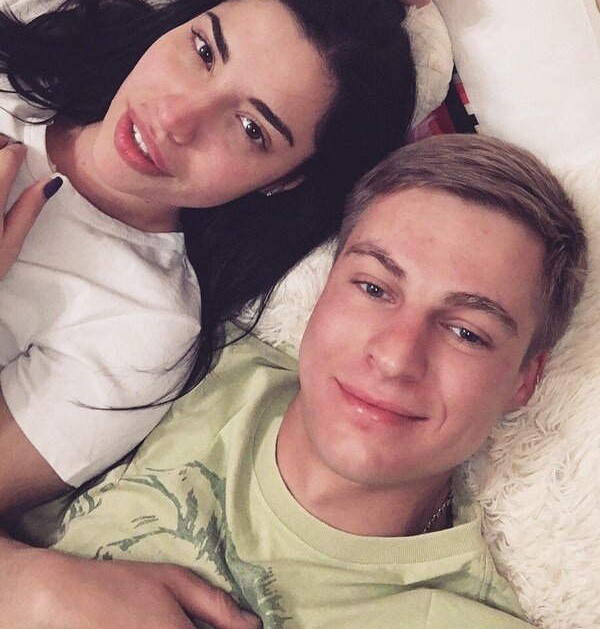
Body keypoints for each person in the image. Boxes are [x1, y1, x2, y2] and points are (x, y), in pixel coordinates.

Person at [0, 0, 452, 627]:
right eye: (204, 50)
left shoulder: (139, 325)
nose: (176, 117)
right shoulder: (38, 40)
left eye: (250, 128)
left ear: (284, 181)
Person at [26, 134, 587, 629]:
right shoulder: (168, 359)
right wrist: (39, 591)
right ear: (326, 285)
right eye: (374, 288)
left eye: (467, 332)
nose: (396, 357)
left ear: (524, 380)